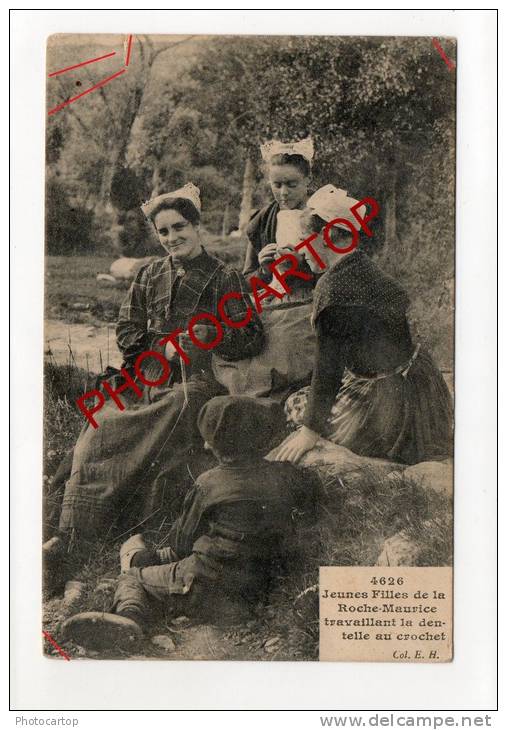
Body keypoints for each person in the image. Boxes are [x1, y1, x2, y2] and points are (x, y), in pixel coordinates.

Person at [45, 184, 264, 568]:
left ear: (197, 227)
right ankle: (71, 537)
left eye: (179, 227)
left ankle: (90, 538)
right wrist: (156, 348)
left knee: (180, 404)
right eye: (163, 232)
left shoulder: (224, 277)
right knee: (102, 424)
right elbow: (127, 331)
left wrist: (213, 336)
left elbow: (251, 336)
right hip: (147, 376)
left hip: (192, 381)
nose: (172, 238)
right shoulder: (148, 275)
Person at [61, 396, 319, 650]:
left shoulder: (208, 483)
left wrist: (153, 556)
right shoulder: (284, 474)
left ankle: (130, 620)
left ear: (214, 446)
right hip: (259, 585)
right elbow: (311, 493)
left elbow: (182, 543)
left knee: (131, 576)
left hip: (210, 584)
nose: (206, 446)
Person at [276, 185, 453, 465]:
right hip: (420, 387)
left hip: (383, 401)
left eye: (304, 240)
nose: (301, 250)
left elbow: (327, 370)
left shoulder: (332, 289)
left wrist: (309, 432)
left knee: (293, 405)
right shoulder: (367, 268)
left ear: (326, 236)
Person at [213, 139, 319, 401]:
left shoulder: (320, 216)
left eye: (292, 185)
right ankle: (246, 406)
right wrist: (263, 267)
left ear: (308, 181)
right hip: (269, 302)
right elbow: (247, 280)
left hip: (308, 303)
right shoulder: (262, 221)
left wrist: (304, 263)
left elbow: (335, 270)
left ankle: (278, 404)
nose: (283, 193)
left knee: (284, 351)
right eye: (277, 185)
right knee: (240, 347)